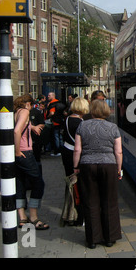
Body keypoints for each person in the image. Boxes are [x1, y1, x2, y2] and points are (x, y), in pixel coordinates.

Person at [73, 99, 122, 248]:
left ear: (92, 110)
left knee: (91, 201)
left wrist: (76, 167)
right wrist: (118, 169)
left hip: (87, 165)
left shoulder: (82, 125)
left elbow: (77, 150)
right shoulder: (113, 127)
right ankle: (109, 238)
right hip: (109, 165)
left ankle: (93, 239)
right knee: (109, 201)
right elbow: (118, 151)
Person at [14, 94, 49, 230]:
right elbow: (17, 131)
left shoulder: (16, 112)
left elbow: (20, 127)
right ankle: (33, 217)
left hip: (18, 154)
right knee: (38, 183)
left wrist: (32, 127)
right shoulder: (25, 111)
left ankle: (22, 217)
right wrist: (18, 151)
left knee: (20, 183)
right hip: (25, 152)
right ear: (27, 103)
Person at [61, 97, 89, 226]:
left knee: (70, 183)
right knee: (80, 185)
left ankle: (70, 212)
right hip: (77, 154)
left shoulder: (67, 119)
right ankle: (80, 216)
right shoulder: (81, 123)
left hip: (66, 152)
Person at [46, 92, 65, 156]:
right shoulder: (59, 102)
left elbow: (52, 113)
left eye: (49, 95)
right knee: (60, 137)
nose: (48, 96)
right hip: (61, 121)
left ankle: (57, 151)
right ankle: (62, 150)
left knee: (56, 136)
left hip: (55, 122)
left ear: (53, 96)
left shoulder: (52, 104)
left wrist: (47, 117)